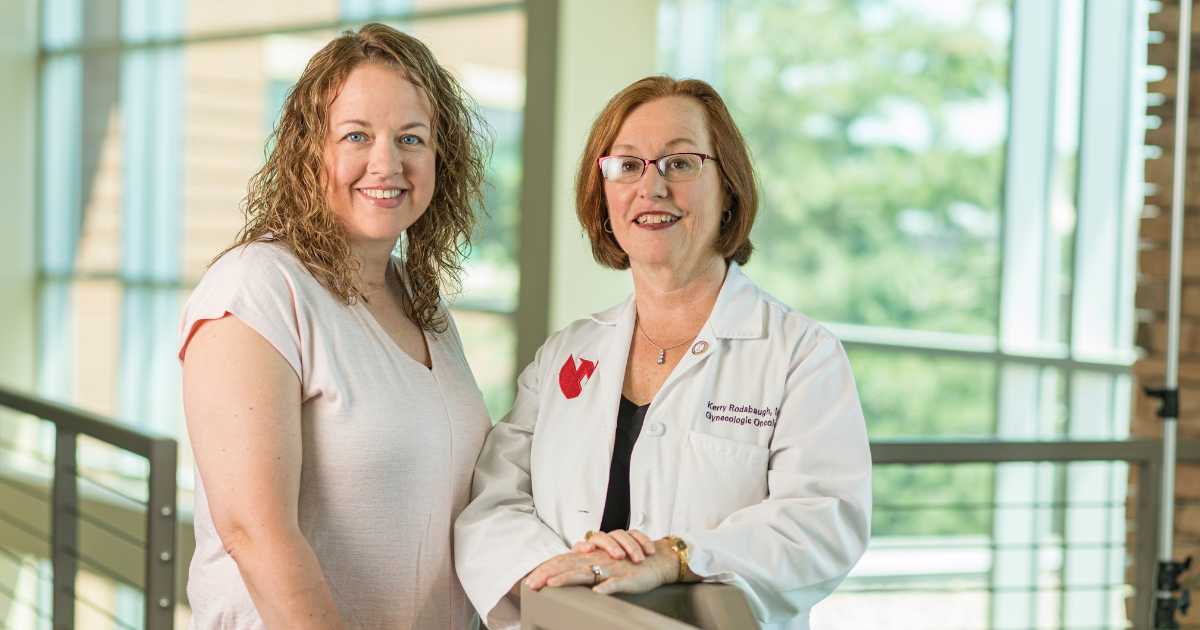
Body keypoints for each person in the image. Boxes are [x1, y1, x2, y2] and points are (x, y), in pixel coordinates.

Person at [454, 76, 872, 630]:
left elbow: (823, 523)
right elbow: (493, 501)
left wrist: (677, 557)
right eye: (627, 165)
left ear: (728, 189)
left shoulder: (800, 355)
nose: (651, 188)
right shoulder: (565, 355)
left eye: (680, 163)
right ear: (602, 194)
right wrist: (558, 574)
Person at [179, 24, 492, 629]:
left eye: (411, 138)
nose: (387, 162)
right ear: (307, 152)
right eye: (356, 135)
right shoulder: (257, 288)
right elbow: (254, 533)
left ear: (438, 158)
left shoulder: (421, 300)